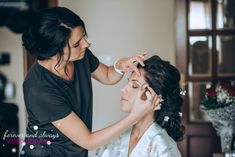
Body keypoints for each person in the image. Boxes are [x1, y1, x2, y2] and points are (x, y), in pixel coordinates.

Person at [20, 7, 159, 157]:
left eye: (83, 37)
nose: (86, 44)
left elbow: (107, 75)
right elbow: (88, 141)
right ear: (54, 53)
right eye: (76, 44)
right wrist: (135, 116)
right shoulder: (39, 89)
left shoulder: (79, 55)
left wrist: (120, 66)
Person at [95, 55, 185, 157]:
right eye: (128, 82)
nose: (123, 89)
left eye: (134, 86)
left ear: (155, 97)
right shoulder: (115, 138)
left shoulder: (163, 147)